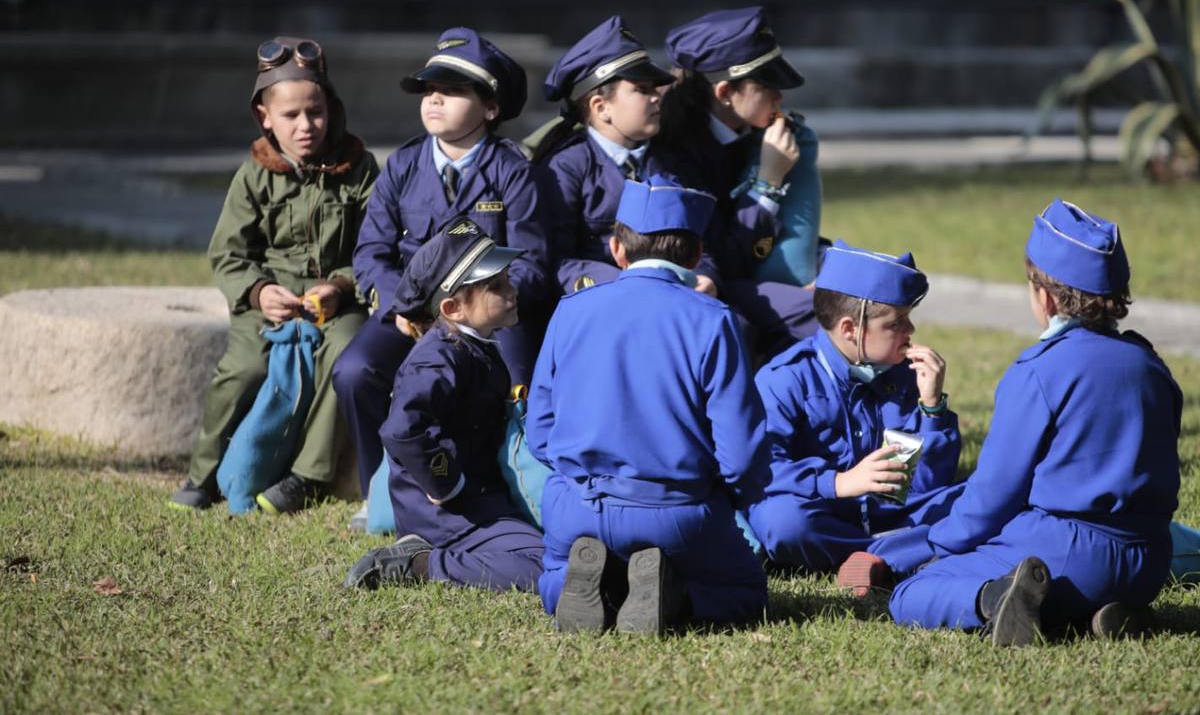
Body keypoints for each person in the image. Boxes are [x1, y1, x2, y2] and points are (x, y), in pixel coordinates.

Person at [872, 200, 1182, 646]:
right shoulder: (1152, 365)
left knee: (911, 593)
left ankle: (998, 600)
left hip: (1068, 552)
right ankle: (1104, 613)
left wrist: (928, 547)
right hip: (1150, 561)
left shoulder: (1038, 370)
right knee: (1076, 583)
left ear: (1046, 296)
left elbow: (992, 497)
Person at [527, 177, 770, 634]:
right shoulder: (714, 321)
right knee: (744, 593)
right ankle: (671, 590)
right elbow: (741, 451)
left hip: (577, 503)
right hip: (675, 511)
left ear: (618, 249)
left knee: (556, 575)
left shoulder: (571, 309)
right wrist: (734, 496)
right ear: (697, 256)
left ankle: (592, 585)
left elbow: (540, 430)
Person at [332, 28, 550, 515]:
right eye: (429, 89)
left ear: (490, 108)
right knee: (354, 371)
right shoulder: (404, 165)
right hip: (411, 313)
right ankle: (382, 495)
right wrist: (405, 307)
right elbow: (371, 252)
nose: (434, 99)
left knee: (515, 385)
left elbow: (533, 264)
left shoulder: (514, 172)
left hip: (487, 317)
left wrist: (479, 309)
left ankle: (503, 492)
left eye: (452, 90)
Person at [171, 37, 378, 513]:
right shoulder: (254, 175)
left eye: (316, 112)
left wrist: (341, 284)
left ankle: (310, 474)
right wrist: (260, 292)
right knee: (245, 368)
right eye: (290, 116)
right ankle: (202, 474)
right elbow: (229, 253)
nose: (306, 126)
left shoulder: (360, 169)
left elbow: (375, 245)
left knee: (346, 354)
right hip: (265, 302)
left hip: (336, 301)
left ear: (331, 108)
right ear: (265, 117)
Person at [343, 218, 544, 592]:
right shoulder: (436, 359)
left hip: (481, 496)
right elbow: (403, 429)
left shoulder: (477, 343)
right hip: (450, 512)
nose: (512, 291)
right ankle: (419, 564)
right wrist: (446, 482)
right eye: (496, 286)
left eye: (508, 279)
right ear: (453, 308)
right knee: (545, 568)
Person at [747, 241, 961, 585]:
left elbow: (924, 484)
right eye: (897, 322)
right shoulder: (785, 378)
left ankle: (872, 558)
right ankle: (902, 555)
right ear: (850, 329)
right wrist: (838, 482)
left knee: (972, 500)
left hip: (888, 512)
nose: (911, 332)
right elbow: (760, 470)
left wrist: (932, 407)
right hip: (822, 511)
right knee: (781, 521)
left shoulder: (904, 375)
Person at [657, 6, 818, 357]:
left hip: (746, 276)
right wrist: (767, 182)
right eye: (768, 85)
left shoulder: (751, 135)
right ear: (726, 92)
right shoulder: (676, 155)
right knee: (824, 314)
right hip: (706, 283)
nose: (781, 97)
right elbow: (722, 259)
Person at [533, 15, 700, 295]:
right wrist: (627, 282)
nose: (656, 97)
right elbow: (555, 258)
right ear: (601, 107)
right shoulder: (567, 167)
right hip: (598, 299)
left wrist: (707, 277)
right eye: (642, 90)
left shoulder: (671, 161)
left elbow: (697, 237)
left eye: (655, 89)